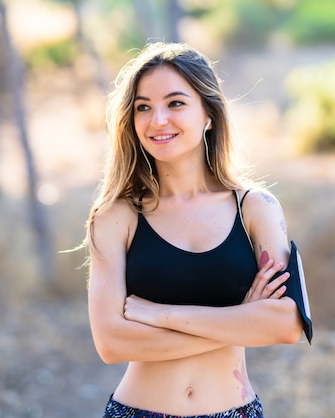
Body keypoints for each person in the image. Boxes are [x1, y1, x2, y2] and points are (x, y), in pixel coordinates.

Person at [84, 42, 304, 418]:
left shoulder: (256, 208)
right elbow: (111, 342)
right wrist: (242, 320)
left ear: (209, 114)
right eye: (143, 107)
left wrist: (159, 314)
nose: (157, 120)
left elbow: (286, 324)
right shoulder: (116, 216)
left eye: (175, 103)